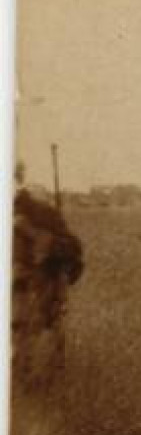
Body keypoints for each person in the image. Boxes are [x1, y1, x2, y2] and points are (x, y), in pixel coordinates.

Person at [12, 164, 84, 388]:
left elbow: (73, 250)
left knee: (26, 346)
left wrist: (39, 238)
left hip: (29, 297)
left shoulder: (41, 213)